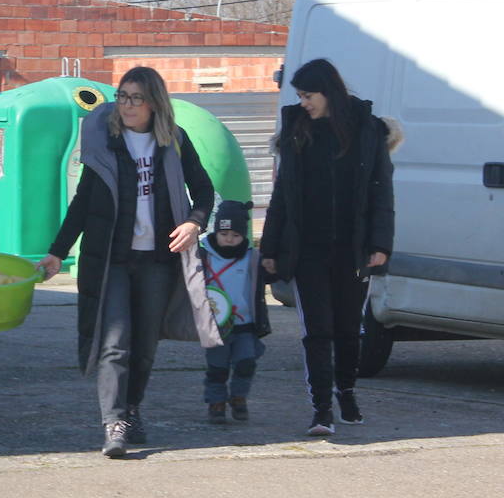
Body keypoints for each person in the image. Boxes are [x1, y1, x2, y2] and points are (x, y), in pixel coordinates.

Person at [38, 66, 215, 458]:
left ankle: (132, 408)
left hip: (157, 261)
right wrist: (58, 250)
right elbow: (83, 202)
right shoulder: (106, 143)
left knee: (146, 345)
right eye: (122, 97)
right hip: (112, 260)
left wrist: (193, 223)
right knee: (115, 342)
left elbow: (203, 190)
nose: (127, 106)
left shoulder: (175, 143)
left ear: (154, 103)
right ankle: (113, 422)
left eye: (135, 98)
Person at [259, 58, 397, 437]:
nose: (304, 103)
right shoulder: (297, 131)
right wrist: (270, 248)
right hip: (307, 249)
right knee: (316, 330)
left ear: (328, 91)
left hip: (352, 248)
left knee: (349, 329)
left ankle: (347, 393)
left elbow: (381, 191)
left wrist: (380, 244)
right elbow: (282, 197)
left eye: (309, 95)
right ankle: (321, 409)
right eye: (300, 96)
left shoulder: (367, 129)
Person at [199, 199, 271, 423]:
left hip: (246, 323)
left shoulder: (252, 258)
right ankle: (216, 402)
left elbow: (271, 275)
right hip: (217, 325)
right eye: (224, 234)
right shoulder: (203, 256)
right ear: (216, 231)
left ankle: (239, 397)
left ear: (244, 235)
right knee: (217, 367)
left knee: (246, 362)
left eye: (236, 235)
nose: (229, 239)